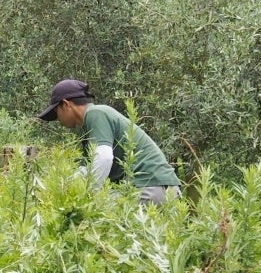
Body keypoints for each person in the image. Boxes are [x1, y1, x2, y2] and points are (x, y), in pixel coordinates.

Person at [37, 79, 181, 204]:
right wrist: (61, 188)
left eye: (56, 112)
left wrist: (86, 197)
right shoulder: (89, 127)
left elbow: (104, 158)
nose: (58, 119)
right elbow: (84, 171)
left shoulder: (96, 113)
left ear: (66, 104)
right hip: (162, 188)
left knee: (96, 214)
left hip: (150, 188)